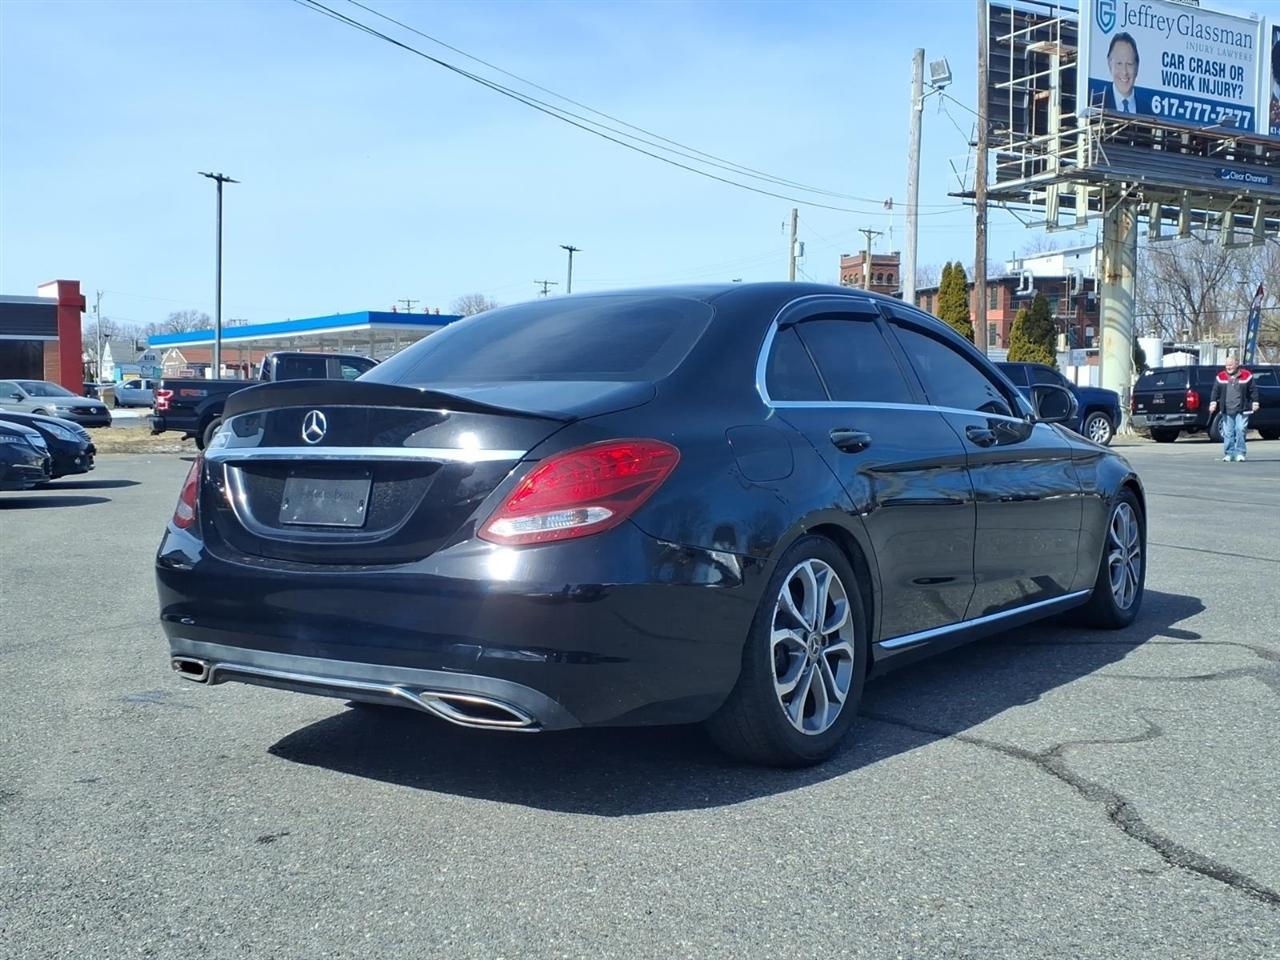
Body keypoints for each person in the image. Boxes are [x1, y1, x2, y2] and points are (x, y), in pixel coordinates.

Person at [1209, 356, 1260, 462]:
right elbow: (1215, 391)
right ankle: (1229, 453)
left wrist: (1255, 402)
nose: (1228, 367)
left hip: (1242, 409)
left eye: (1231, 365)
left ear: (1237, 364)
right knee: (1228, 432)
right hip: (1226, 409)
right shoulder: (1220, 376)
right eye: (1227, 365)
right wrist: (1213, 403)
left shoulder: (1246, 375)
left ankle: (1240, 453)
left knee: (1240, 429)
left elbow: (1253, 390)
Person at [1102, 33, 1140, 113]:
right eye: (1119, 63)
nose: (1124, 72)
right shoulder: (1096, 104)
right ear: (1109, 64)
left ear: (1137, 67)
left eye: (1129, 64)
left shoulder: (1149, 112)